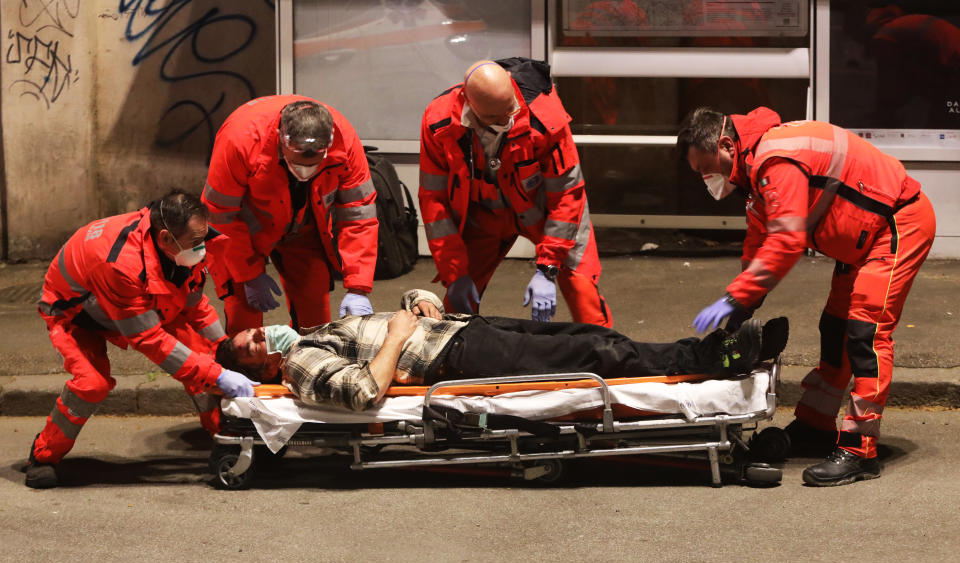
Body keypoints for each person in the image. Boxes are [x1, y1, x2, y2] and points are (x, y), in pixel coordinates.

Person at [677, 106, 936, 487]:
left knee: (867, 333)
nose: (707, 179)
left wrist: (735, 301)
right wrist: (744, 301)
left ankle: (859, 450)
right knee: (835, 329)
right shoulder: (756, 170)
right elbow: (759, 241)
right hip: (862, 238)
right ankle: (815, 426)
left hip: (896, 223)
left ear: (727, 145)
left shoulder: (775, 159)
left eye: (705, 169)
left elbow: (785, 241)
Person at [216, 290, 788, 414]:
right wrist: (395, 337)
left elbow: (380, 325)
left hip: (461, 331)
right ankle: (717, 361)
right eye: (255, 345)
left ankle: (710, 351)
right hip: (458, 361)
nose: (264, 334)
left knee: (596, 337)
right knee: (599, 355)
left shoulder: (313, 332)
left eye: (256, 330)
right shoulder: (301, 365)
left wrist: (416, 302)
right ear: (262, 366)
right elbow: (364, 392)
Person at [27, 190, 260, 489]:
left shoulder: (183, 243)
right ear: (165, 239)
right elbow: (149, 339)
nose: (202, 249)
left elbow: (194, 304)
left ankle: (224, 436)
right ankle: (44, 456)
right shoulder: (119, 264)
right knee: (91, 384)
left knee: (205, 359)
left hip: (129, 302)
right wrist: (218, 373)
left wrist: (224, 351)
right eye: (195, 243)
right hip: (75, 313)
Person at [418, 58, 611, 327]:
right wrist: (454, 274)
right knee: (456, 309)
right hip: (484, 214)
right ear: (470, 105)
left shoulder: (545, 117)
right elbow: (434, 202)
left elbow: (567, 194)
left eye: (510, 110)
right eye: (495, 119)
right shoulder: (438, 123)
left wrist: (547, 267)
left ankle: (609, 364)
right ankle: (456, 361)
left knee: (584, 295)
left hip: (545, 211)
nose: (507, 120)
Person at [201, 95, 379, 334]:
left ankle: (306, 365)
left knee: (315, 321)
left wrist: (358, 287)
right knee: (244, 321)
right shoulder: (240, 139)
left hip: (304, 227)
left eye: (316, 161)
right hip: (243, 230)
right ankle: (240, 372)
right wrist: (248, 274)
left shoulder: (344, 141)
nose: (306, 170)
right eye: (297, 160)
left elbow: (360, 214)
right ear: (281, 140)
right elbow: (220, 216)